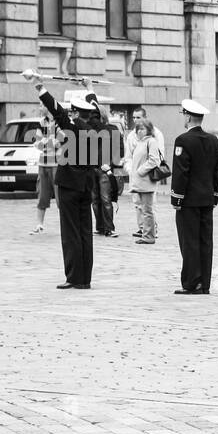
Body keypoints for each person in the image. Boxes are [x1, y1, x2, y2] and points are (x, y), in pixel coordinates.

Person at [34, 77, 110, 289]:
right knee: (85, 231)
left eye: (71, 112)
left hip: (69, 184)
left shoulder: (73, 126)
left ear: (75, 113)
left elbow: (56, 110)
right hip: (86, 184)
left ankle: (74, 277)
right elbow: (96, 109)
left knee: (71, 232)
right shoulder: (97, 127)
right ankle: (85, 278)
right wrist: (90, 89)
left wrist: (41, 89)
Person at [170, 99, 218, 294]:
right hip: (207, 198)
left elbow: (181, 172)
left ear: (189, 116)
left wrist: (176, 198)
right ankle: (204, 282)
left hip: (189, 200)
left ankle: (192, 282)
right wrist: (215, 194)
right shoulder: (213, 140)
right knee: (205, 241)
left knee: (189, 241)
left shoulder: (183, 140)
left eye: (184, 115)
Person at [126, 118, 165, 244]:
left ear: (149, 130)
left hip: (146, 181)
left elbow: (154, 160)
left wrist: (140, 171)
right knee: (144, 209)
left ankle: (149, 236)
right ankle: (146, 234)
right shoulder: (140, 143)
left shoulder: (151, 141)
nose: (139, 131)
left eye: (142, 129)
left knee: (148, 210)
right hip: (140, 182)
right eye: (138, 129)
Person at [31, 113, 58, 234]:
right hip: (43, 164)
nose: (40, 107)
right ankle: (39, 224)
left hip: (57, 164)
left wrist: (45, 142)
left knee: (60, 197)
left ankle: (65, 224)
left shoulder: (60, 122)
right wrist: (49, 142)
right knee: (42, 195)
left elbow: (61, 142)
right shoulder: (41, 122)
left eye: (42, 105)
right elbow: (37, 144)